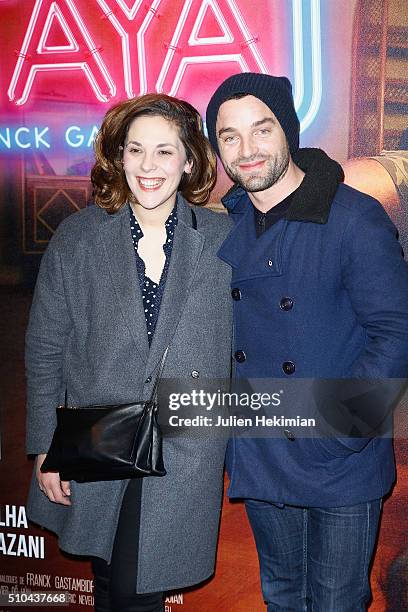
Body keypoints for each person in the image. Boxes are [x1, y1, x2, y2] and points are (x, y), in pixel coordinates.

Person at [205, 73, 408, 611]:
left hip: (339, 459)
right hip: (263, 449)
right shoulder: (228, 223)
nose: (246, 150)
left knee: (337, 602)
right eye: (229, 137)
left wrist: (340, 430)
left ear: (287, 131)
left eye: (261, 129)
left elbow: (396, 332)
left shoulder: (353, 217)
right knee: (282, 597)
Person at [25, 93, 232, 612]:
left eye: (165, 152)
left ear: (189, 161)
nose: (148, 165)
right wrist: (45, 446)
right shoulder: (78, 238)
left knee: (136, 588)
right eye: (136, 149)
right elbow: (46, 348)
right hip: (99, 436)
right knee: (111, 581)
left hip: (185, 443)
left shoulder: (225, 239)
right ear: (118, 156)